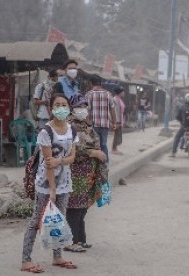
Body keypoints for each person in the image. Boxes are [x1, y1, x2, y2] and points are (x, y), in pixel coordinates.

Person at [21, 93, 78, 273]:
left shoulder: (72, 130)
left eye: (64, 104)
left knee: (58, 219)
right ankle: (25, 260)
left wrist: (60, 161)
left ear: (68, 108)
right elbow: (47, 163)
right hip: (46, 183)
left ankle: (57, 257)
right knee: (37, 220)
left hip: (65, 182)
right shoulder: (46, 131)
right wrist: (52, 189)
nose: (61, 107)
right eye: (57, 104)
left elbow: (72, 157)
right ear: (51, 109)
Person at [64, 95, 108, 253]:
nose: (83, 109)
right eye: (79, 106)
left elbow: (97, 142)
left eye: (85, 106)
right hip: (75, 173)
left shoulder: (86, 126)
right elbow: (71, 150)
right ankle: (71, 241)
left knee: (82, 208)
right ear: (72, 108)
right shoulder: (68, 126)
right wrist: (93, 152)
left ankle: (81, 240)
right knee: (74, 208)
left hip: (87, 173)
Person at [85, 74, 116, 161]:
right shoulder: (108, 94)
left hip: (93, 124)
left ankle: (96, 165)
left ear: (91, 83)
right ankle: (105, 164)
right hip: (105, 124)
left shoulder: (89, 94)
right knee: (103, 144)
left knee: (94, 145)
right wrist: (114, 123)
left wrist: (87, 123)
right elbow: (112, 110)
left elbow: (87, 111)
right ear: (101, 83)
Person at [112, 86, 125, 155]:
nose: (124, 93)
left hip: (120, 120)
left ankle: (115, 148)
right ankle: (114, 149)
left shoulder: (119, 99)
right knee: (117, 135)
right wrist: (116, 122)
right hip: (117, 120)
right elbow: (115, 111)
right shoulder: (115, 99)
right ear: (120, 92)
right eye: (123, 91)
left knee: (118, 135)